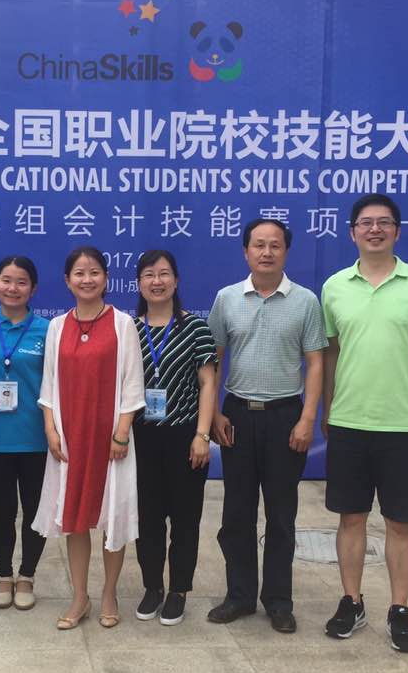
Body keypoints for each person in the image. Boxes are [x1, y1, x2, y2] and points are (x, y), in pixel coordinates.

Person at [320, 194, 408, 653]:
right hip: (349, 422)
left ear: (397, 230)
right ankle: (351, 601)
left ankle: (399, 610)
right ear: (352, 232)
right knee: (351, 517)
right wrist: (327, 409)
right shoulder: (335, 287)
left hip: (404, 424)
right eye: (365, 223)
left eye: (383, 222)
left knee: (399, 523)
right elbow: (331, 354)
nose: (374, 229)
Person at [207, 219, 327, 632]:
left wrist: (308, 418)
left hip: (285, 416)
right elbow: (214, 359)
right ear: (246, 252)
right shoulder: (226, 299)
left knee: (281, 514)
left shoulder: (305, 301)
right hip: (237, 416)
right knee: (237, 513)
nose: (266, 252)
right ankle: (239, 596)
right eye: (258, 245)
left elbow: (316, 363)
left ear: (286, 252)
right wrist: (214, 413)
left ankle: (278, 601)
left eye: (275, 245)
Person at [33, 246, 143, 630]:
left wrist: (122, 433)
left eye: (94, 272)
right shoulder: (56, 326)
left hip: (111, 440)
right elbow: (48, 384)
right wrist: (51, 429)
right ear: (67, 281)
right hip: (70, 438)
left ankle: (110, 592)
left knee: (113, 517)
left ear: (106, 278)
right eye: (79, 273)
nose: (87, 279)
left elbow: (133, 384)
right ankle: (80, 596)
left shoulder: (122, 324)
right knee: (75, 518)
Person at [131, 250, 218, 627]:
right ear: (139, 283)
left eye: (164, 274)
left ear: (176, 281)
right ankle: (152, 586)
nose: (157, 281)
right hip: (141, 437)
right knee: (147, 518)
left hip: (185, 435)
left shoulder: (195, 328)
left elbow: (208, 383)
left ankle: (179, 589)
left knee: (185, 518)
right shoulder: (129, 330)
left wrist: (202, 435)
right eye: (149, 275)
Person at [0, 256, 50, 611]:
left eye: (21, 282)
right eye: (6, 280)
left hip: (37, 437)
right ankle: (4, 575)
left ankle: (27, 575)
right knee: (1, 511)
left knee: (35, 511)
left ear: (33, 289)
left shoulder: (48, 331)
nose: (13, 288)